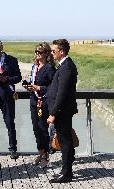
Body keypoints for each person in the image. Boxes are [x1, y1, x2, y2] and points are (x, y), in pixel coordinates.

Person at [47, 39, 78, 183]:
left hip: (62, 112)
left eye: (54, 51)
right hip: (62, 111)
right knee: (66, 142)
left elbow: (62, 94)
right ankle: (66, 171)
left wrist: (53, 113)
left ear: (62, 51)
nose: (52, 53)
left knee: (65, 143)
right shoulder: (64, 65)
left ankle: (66, 174)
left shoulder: (66, 67)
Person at [23, 42, 56, 168]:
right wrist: (29, 87)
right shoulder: (34, 66)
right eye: (36, 52)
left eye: (40, 52)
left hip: (44, 102)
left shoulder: (49, 68)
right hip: (33, 101)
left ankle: (46, 155)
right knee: (35, 128)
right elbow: (33, 82)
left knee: (42, 128)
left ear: (47, 53)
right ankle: (40, 152)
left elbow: (53, 87)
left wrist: (39, 87)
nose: (37, 54)